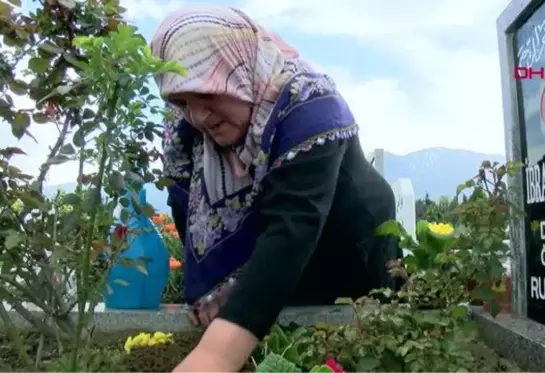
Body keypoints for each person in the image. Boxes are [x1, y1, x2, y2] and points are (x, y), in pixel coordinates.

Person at [150, 6, 403, 372]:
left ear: (238, 70)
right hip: (275, 253)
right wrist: (219, 294)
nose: (198, 116)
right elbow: (186, 209)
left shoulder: (309, 104)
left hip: (347, 240)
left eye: (206, 94)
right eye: (181, 101)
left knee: (352, 351)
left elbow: (292, 229)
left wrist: (211, 359)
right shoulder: (185, 130)